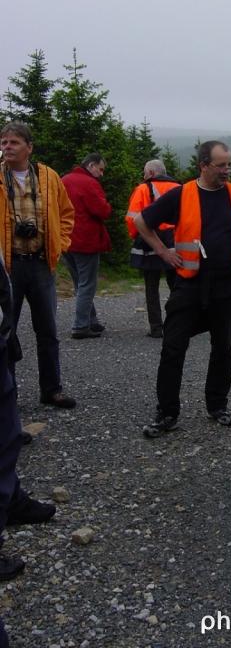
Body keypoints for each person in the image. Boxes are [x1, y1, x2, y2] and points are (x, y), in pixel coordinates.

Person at [134, 140, 231, 437]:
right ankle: (167, 413)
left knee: (221, 348)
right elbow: (142, 222)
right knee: (173, 348)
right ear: (203, 166)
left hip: (226, 285)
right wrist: (163, 252)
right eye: (221, 165)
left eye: (229, 164)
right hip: (189, 285)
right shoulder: (181, 194)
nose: (227, 170)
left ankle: (217, 405)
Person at [0, 248, 56, 648]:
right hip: (13, 264)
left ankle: (11, 499)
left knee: (7, 432)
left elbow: (62, 215)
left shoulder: (46, 180)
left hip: (35, 263)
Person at [0, 122, 75, 409]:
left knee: (48, 331)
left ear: (29, 147)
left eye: (14, 143)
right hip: (7, 268)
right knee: (6, 333)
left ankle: (52, 390)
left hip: (41, 264)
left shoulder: (48, 177)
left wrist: (61, 243)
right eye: (4, 142)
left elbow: (67, 213)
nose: (8, 147)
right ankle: (8, 397)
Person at [125, 159, 180, 338]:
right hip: (176, 240)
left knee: (151, 286)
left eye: (144, 172)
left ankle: (156, 328)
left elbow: (132, 218)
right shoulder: (181, 189)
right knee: (177, 285)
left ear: (151, 173)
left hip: (150, 240)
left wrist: (136, 236)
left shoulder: (142, 189)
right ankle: (178, 323)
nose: (143, 176)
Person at [62, 154, 111, 339]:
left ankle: (91, 320)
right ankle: (80, 326)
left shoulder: (64, 180)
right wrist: (107, 206)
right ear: (91, 165)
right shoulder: (89, 183)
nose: (101, 174)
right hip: (86, 241)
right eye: (100, 169)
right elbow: (102, 210)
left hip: (66, 240)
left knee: (79, 283)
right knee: (87, 284)